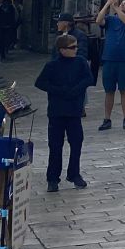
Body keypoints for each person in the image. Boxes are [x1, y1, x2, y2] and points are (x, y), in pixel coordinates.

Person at [34, 32, 92, 192]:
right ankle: (53, 178)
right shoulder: (52, 66)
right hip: (57, 111)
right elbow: (40, 83)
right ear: (62, 49)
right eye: (72, 47)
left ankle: (74, 174)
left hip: (74, 111)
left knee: (76, 143)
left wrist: (76, 90)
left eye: (76, 47)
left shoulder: (80, 62)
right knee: (55, 146)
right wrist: (59, 90)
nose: (75, 50)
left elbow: (88, 78)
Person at [96, 0, 125, 130]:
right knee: (109, 90)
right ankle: (107, 119)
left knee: (124, 89)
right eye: (122, 3)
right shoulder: (110, 19)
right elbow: (98, 20)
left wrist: (116, 7)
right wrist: (108, 4)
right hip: (109, 59)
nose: (123, 4)